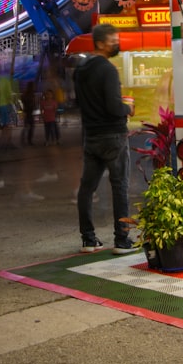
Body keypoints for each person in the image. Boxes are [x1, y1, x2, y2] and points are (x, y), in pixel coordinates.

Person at [74, 23, 139, 254]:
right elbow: (113, 107)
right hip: (113, 136)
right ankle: (122, 241)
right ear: (101, 43)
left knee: (87, 188)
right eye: (113, 40)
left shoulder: (80, 70)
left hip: (91, 135)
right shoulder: (108, 70)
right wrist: (127, 109)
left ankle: (88, 239)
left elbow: (79, 103)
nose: (116, 43)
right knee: (120, 186)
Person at [20, 81, 36, 146]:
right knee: (30, 126)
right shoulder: (30, 94)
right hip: (28, 111)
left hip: (26, 111)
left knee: (27, 126)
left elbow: (23, 100)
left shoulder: (26, 94)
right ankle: (28, 140)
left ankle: (25, 140)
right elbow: (31, 103)